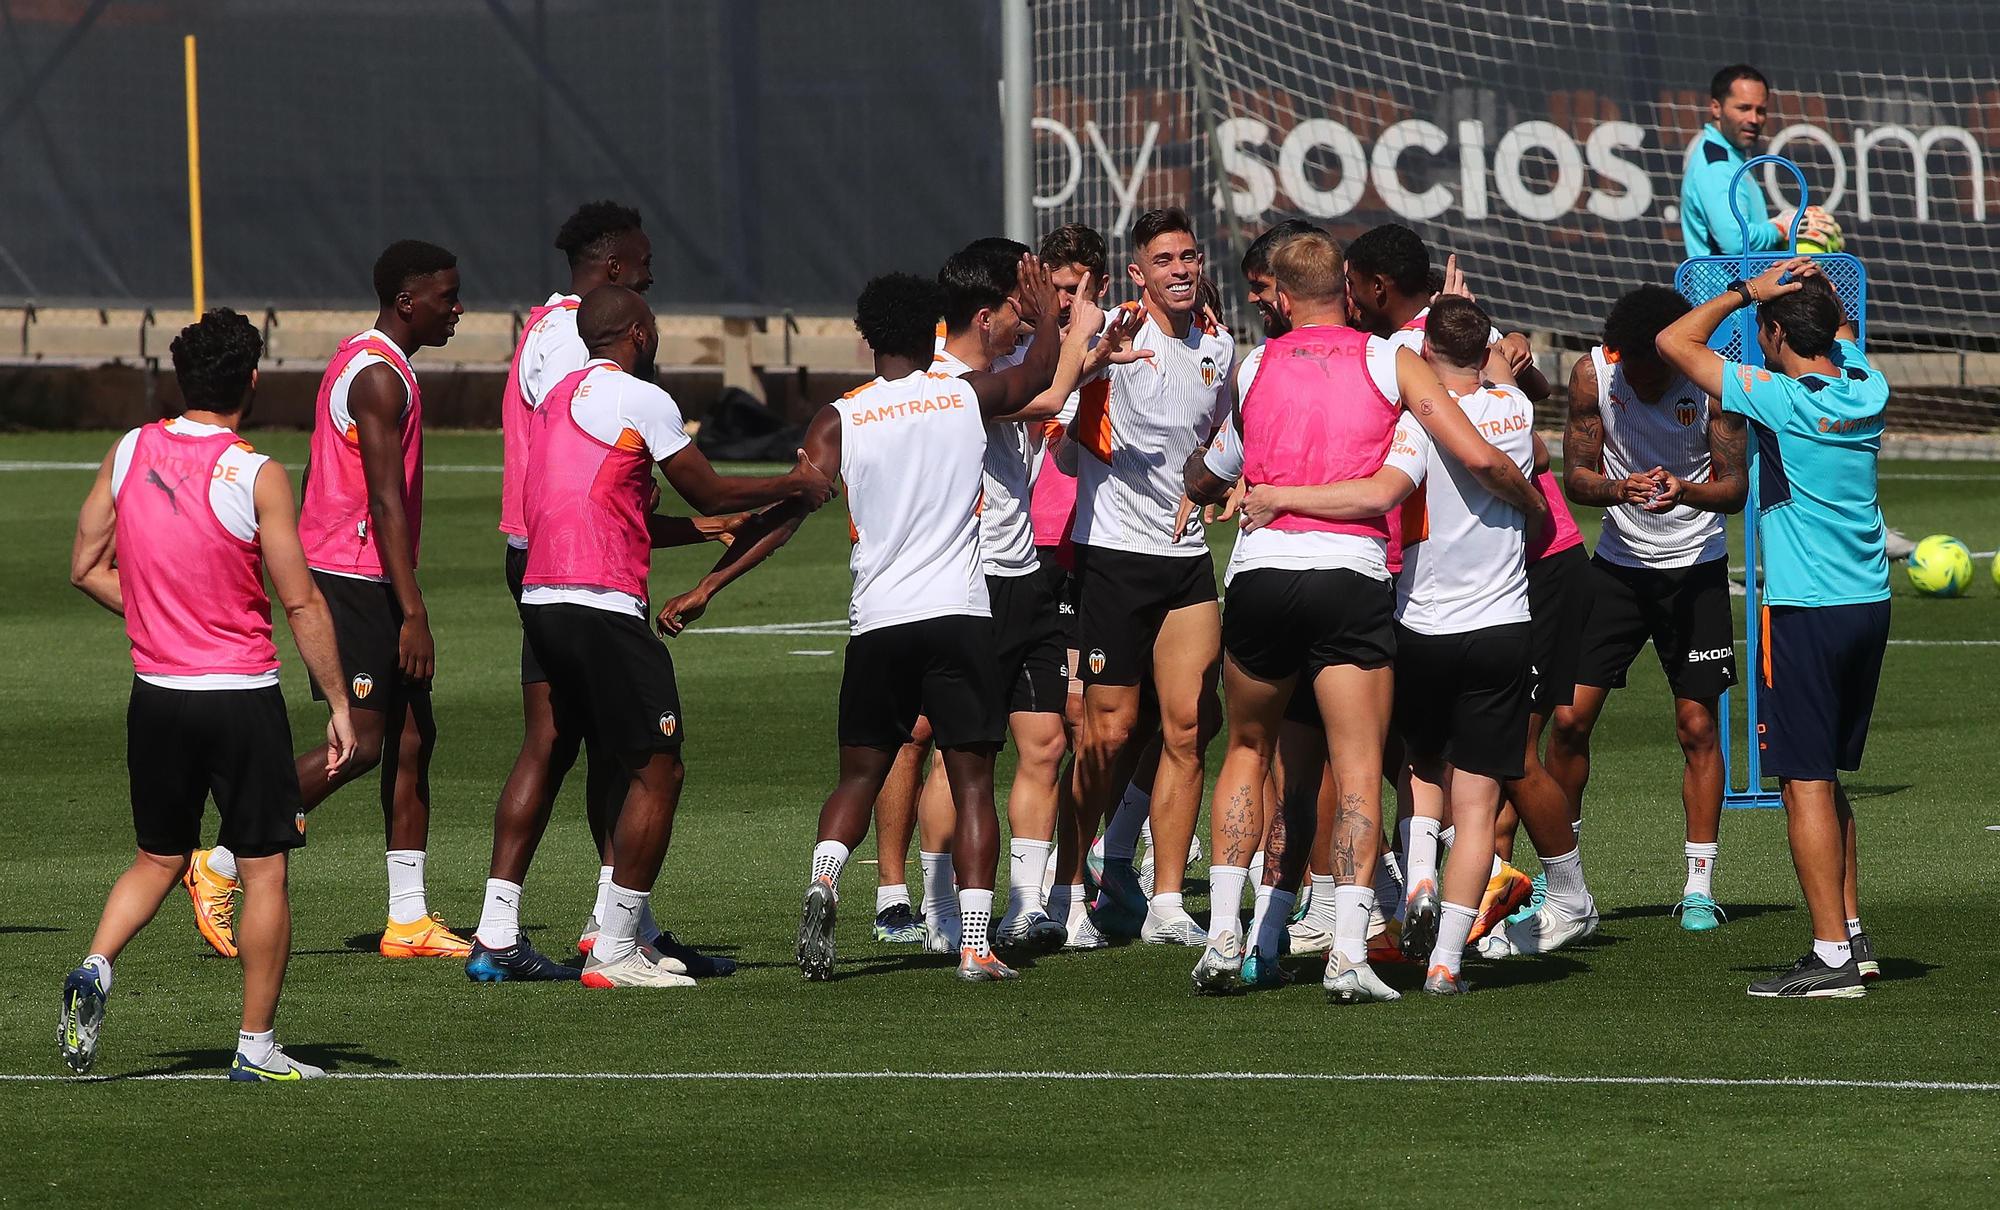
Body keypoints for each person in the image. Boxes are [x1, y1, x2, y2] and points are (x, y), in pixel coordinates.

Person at [658, 258, 1131, 980]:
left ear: (866, 338)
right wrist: (1041, 311)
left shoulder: (837, 418)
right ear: (933, 330)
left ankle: (823, 880)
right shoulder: (962, 397)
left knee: (859, 775)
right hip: (960, 612)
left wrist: (709, 585)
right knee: (973, 779)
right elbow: (1039, 376)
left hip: (878, 619)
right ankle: (975, 943)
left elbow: (787, 514)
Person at [61, 309, 356, 1079]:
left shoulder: (129, 450)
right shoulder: (257, 472)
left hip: (156, 695)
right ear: (251, 381)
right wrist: (339, 703)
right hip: (239, 698)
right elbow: (301, 603)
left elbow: (86, 566)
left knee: (157, 858)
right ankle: (257, 1048)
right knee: (263, 871)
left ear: (181, 378)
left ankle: (96, 966)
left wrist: (159, 613)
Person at [516, 285, 830, 988]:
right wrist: (793, 483)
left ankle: (620, 926)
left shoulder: (553, 400)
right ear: (637, 334)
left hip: (542, 601)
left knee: (614, 759)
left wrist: (697, 533)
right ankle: (615, 948)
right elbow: (712, 492)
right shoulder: (640, 397)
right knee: (661, 767)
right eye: (651, 326)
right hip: (602, 604)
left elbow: (611, 508)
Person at [1236, 296, 1546, 996]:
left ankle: (1416, 882)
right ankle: (1446, 963)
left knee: (1417, 768)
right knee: (1479, 802)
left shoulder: (1417, 426)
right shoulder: (1519, 412)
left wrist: (1285, 497)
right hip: (1501, 623)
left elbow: (1378, 493)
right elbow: (1521, 425)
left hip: (1422, 625)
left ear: (1423, 352)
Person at [472, 201, 740, 981]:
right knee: (605, 751)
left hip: (555, 559)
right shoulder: (575, 344)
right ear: (616, 272)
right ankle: (604, 932)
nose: (655, 273)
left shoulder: (549, 330)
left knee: (585, 749)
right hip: (576, 564)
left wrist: (688, 527)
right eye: (645, 261)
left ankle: (605, 926)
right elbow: (590, 451)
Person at [182, 240, 467, 961]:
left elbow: (324, 469)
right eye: (446, 296)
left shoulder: (362, 361)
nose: (457, 307)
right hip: (354, 581)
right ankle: (218, 864)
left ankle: (406, 919)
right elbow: (384, 499)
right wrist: (413, 611)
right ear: (408, 301)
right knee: (364, 744)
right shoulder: (376, 377)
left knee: (411, 740)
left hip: (356, 571)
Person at [1656, 258, 1889, 998]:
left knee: (1805, 780)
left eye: (1762, 329)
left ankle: (1828, 960)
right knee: (1823, 777)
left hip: (1807, 609)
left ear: (1777, 331)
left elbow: (1673, 342)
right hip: (1867, 604)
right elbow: (1839, 336)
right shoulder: (1867, 386)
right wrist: (1817, 289)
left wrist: (1746, 291)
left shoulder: (1779, 398)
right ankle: (1851, 934)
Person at [931, 239, 1146, 951]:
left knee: (1047, 743)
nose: (1038, 307)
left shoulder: (997, 368)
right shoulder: (952, 381)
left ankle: (1026, 907)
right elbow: (1048, 393)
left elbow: (1048, 388)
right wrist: (1078, 337)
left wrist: (1092, 357)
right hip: (974, 583)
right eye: (1027, 293)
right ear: (989, 306)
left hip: (1024, 578)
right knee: (959, 754)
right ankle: (937, 908)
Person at [1548, 285, 1748, 931]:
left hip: (1695, 570)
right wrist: (1618, 487)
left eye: (1661, 368)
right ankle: (1566, 883)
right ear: (1616, 354)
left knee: (1696, 727)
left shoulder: (1713, 379)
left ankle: (1697, 887)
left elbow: (1735, 488)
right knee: (1569, 721)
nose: (1649, 382)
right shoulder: (1593, 374)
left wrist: (1686, 489)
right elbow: (1574, 474)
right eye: (1638, 370)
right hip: (1617, 569)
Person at [1065, 207, 1234, 946]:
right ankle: (1069, 889)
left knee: (1190, 726)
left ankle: (1167, 902)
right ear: (1139, 272)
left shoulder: (1221, 346)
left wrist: (1216, 486)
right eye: (1164, 259)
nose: (1180, 269)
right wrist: (1093, 362)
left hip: (1185, 557)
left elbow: (1226, 437)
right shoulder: (1116, 335)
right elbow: (1063, 430)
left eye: (1189, 257)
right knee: (1109, 734)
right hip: (1111, 553)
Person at [1680, 65, 1835, 258]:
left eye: (1760, 110)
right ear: (1716, 108)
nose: (1754, 119)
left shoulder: (1730, 154)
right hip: (1725, 289)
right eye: (1743, 108)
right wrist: (1781, 227)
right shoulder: (1717, 165)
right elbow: (1736, 243)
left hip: (1743, 286)